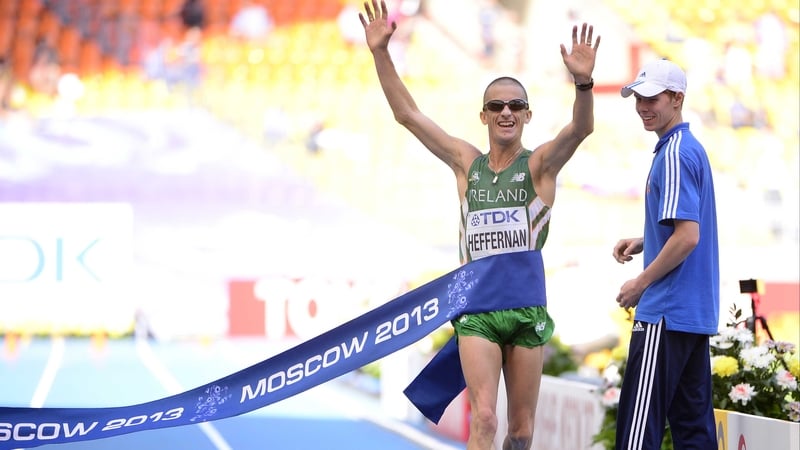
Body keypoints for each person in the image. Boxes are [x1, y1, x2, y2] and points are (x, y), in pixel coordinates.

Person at [359, 1, 600, 448]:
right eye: (496, 105)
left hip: (527, 307)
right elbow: (408, 115)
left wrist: (583, 83)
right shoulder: (465, 163)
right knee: (485, 419)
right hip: (478, 312)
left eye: (516, 105)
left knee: (522, 431)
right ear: (484, 115)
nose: (506, 112)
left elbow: (580, 129)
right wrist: (380, 53)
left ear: (527, 115)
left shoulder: (541, 166)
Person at [612, 59, 719, 449]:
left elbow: (688, 237)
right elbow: (686, 228)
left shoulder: (673, 153)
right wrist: (646, 239)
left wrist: (640, 282)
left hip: (665, 313)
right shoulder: (689, 148)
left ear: (677, 99)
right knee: (694, 432)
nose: (643, 106)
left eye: (652, 98)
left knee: (637, 435)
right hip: (692, 314)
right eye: (639, 98)